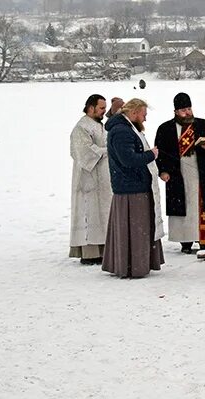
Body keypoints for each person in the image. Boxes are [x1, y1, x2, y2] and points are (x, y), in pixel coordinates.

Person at [102, 98, 165, 278]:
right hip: (130, 188)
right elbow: (128, 160)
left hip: (134, 186)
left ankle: (133, 263)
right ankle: (133, 265)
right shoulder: (122, 131)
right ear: (135, 112)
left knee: (138, 229)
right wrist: (150, 155)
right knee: (137, 229)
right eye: (144, 115)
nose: (145, 119)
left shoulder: (127, 128)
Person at [155, 92, 205, 253]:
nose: (188, 112)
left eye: (189, 108)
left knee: (202, 206)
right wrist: (163, 171)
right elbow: (160, 153)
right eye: (183, 110)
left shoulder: (202, 124)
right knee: (183, 206)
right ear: (176, 112)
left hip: (201, 174)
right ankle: (185, 240)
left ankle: (204, 239)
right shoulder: (165, 129)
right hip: (177, 175)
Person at [69, 94, 112, 265]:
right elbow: (84, 153)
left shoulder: (98, 126)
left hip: (102, 179)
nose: (104, 111)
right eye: (101, 108)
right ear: (91, 107)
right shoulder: (81, 127)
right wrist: (107, 150)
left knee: (102, 214)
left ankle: (102, 249)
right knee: (89, 214)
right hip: (87, 180)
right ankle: (89, 252)